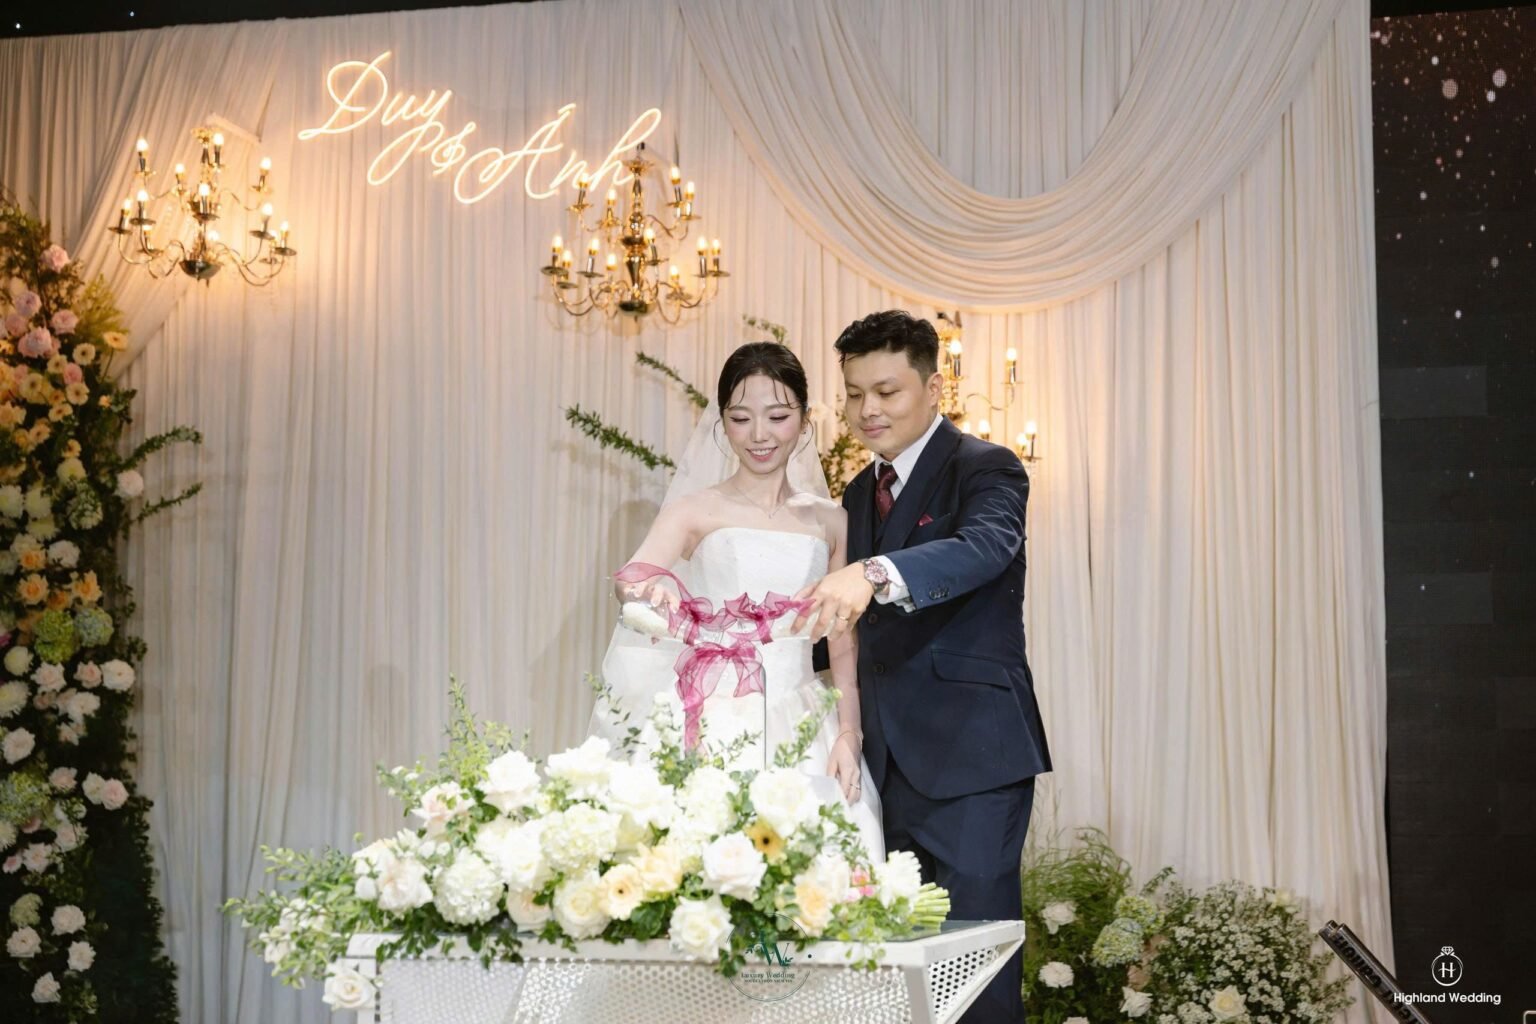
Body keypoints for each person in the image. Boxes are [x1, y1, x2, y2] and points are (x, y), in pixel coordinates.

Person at [794, 310, 1051, 1024]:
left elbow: (984, 547)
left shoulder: (985, 466)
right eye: (854, 394)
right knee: (901, 970)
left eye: (887, 391)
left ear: (933, 388)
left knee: (976, 966)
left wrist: (873, 571)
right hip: (882, 765)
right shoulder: (856, 492)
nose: (867, 410)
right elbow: (844, 624)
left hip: (973, 758)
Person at [591, 342, 885, 863]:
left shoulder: (831, 520)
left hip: (800, 708)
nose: (759, 435)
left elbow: (842, 638)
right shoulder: (694, 510)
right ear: (722, 422)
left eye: (777, 416)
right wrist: (651, 589)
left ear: (804, 419)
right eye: (741, 418)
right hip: (709, 707)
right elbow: (630, 578)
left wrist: (848, 731)